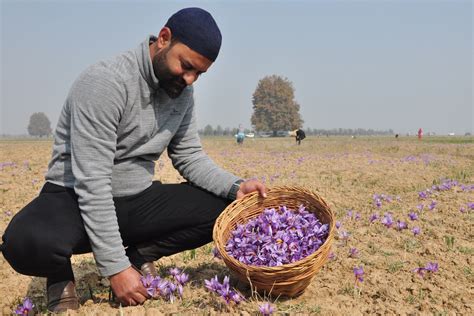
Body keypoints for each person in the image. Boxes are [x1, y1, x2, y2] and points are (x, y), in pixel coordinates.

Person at [0, 8, 266, 312]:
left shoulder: (181, 92)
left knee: (225, 209)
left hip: (135, 198)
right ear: (164, 39)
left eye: (199, 74)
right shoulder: (105, 83)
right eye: (187, 66)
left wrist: (236, 187)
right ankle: (59, 276)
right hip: (73, 197)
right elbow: (93, 181)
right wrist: (115, 269)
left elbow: (189, 155)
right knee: (24, 242)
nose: (191, 80)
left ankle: (140, 255)